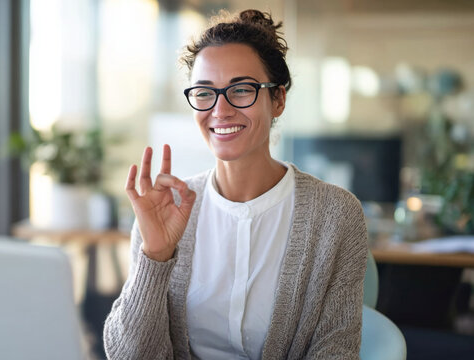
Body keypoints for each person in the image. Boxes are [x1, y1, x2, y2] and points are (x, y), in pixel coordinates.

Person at [103, 9, 368, 360]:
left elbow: (336, 350)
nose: (221, 110)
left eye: (241, 90)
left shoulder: (337, 215)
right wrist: (155, 255)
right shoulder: (163, 210)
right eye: (204, 92)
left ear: (278, 100)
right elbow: (128, 355)